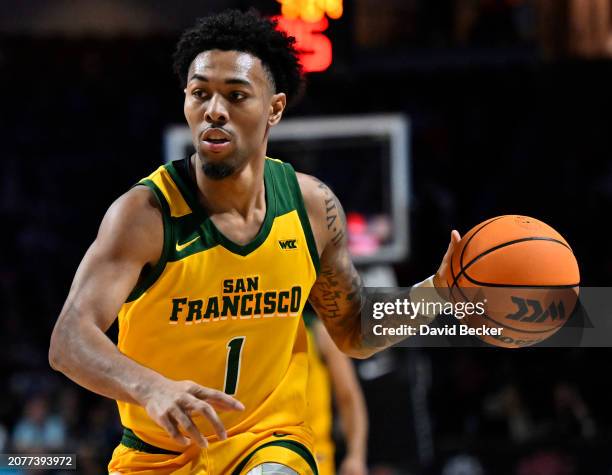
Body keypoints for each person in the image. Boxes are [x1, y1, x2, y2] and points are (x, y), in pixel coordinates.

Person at [48, 9, 460, 475]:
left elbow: (353, 330)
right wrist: (150, 387)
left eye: (236, 95)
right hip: (158, 456)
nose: (214, 111)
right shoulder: (144, 216)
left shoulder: (311, 209)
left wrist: (436, 294)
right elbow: (68, 341)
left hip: (268, 443)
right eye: (200, 93)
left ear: (274, 108)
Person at [304, 313, 368, 475]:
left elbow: (348, 397)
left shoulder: (317, 330)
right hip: (267, 452)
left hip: (316, 457)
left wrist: (356, 455)